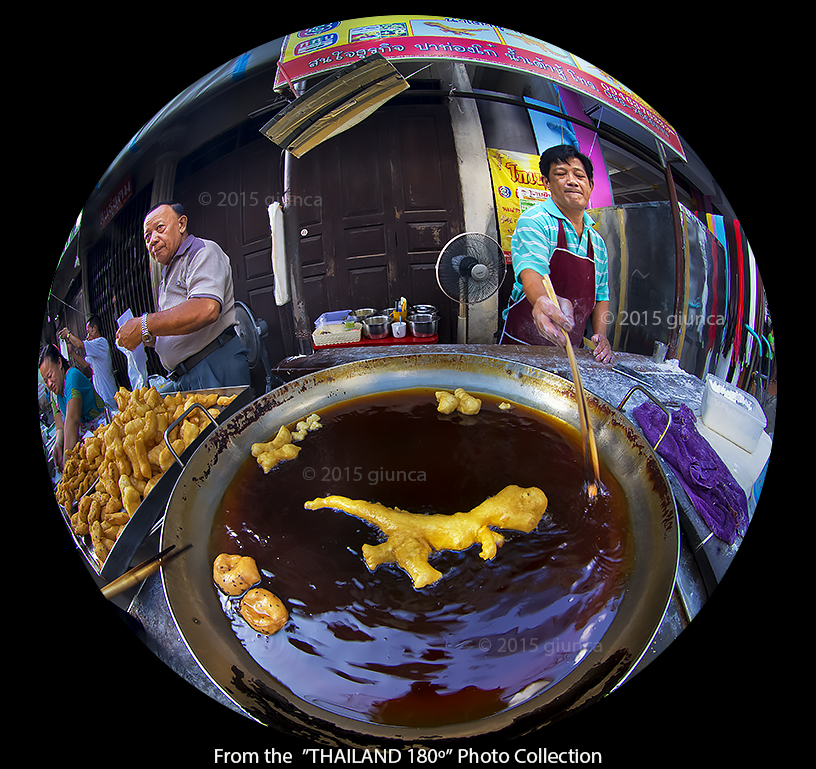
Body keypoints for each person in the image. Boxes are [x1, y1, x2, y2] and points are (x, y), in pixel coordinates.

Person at [115, 201, 250, 391]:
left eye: (159, 228)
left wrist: (143, 324)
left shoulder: (202, 251)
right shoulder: (166, 275)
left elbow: (206, 309)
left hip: (213, 366)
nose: (152, 239)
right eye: (147, 237)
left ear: (181, 224)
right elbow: (177, 326)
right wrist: (146, 336)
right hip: (187, 376)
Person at [500, 144, 615, 364]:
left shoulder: (597, 243)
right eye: (561, 174)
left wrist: (601, 337)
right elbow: (532, 270)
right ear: (547, 183)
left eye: (579, 175)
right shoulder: (535, 221)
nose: (572, 181)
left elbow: (601, 295)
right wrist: (542, 300)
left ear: (590, 185)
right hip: (523, 348)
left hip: (571, 353)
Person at [39, 344, 107, 471]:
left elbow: (72, 419)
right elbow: (60, 426)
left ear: (59, 363)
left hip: (104, 438)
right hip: (90, 448)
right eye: (45, 380)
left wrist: (66, 464)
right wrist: (58, 444)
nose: (49, 383)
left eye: (50, 376)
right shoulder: (56, 395)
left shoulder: (72, 376)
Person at [59, 315, 118, 409]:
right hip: (103, 396)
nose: (87, 336)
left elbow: (79, 345)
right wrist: (72, 353)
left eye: (88, 331)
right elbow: (84, 363)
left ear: (95, 329)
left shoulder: (100, 342)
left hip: (109, 394)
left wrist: (68, 334)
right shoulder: (95, 351)